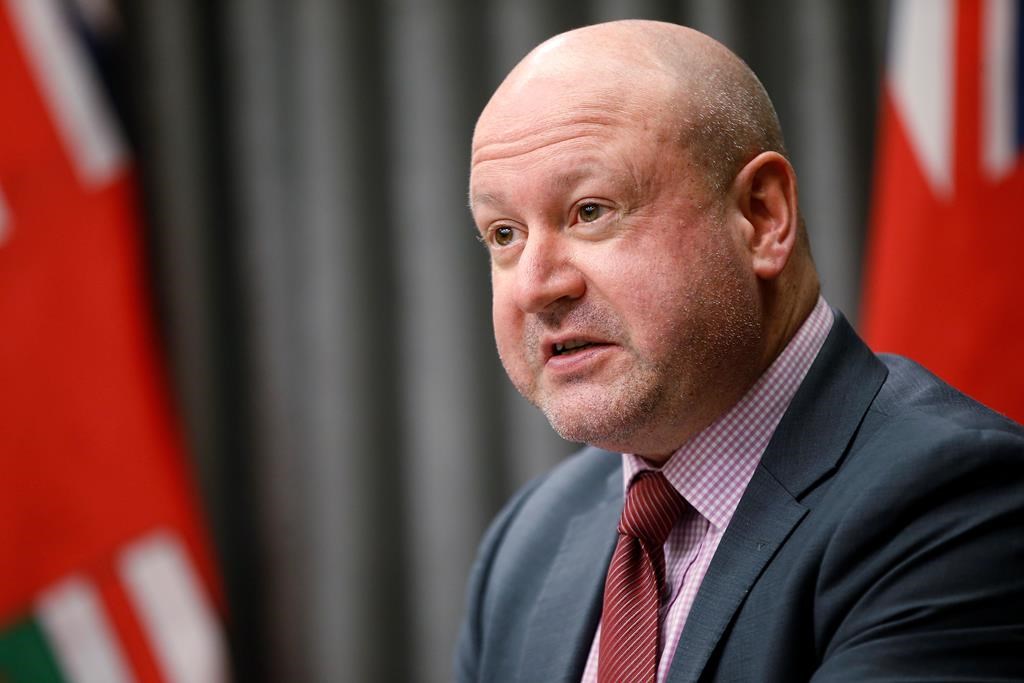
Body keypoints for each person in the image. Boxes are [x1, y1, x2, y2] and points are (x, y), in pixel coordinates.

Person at [455, 19, 1024, 683]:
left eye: (590, 211)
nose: (536, 286)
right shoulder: (528, 540)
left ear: (761, 217)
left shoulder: (953, 502)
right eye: (504, 234)